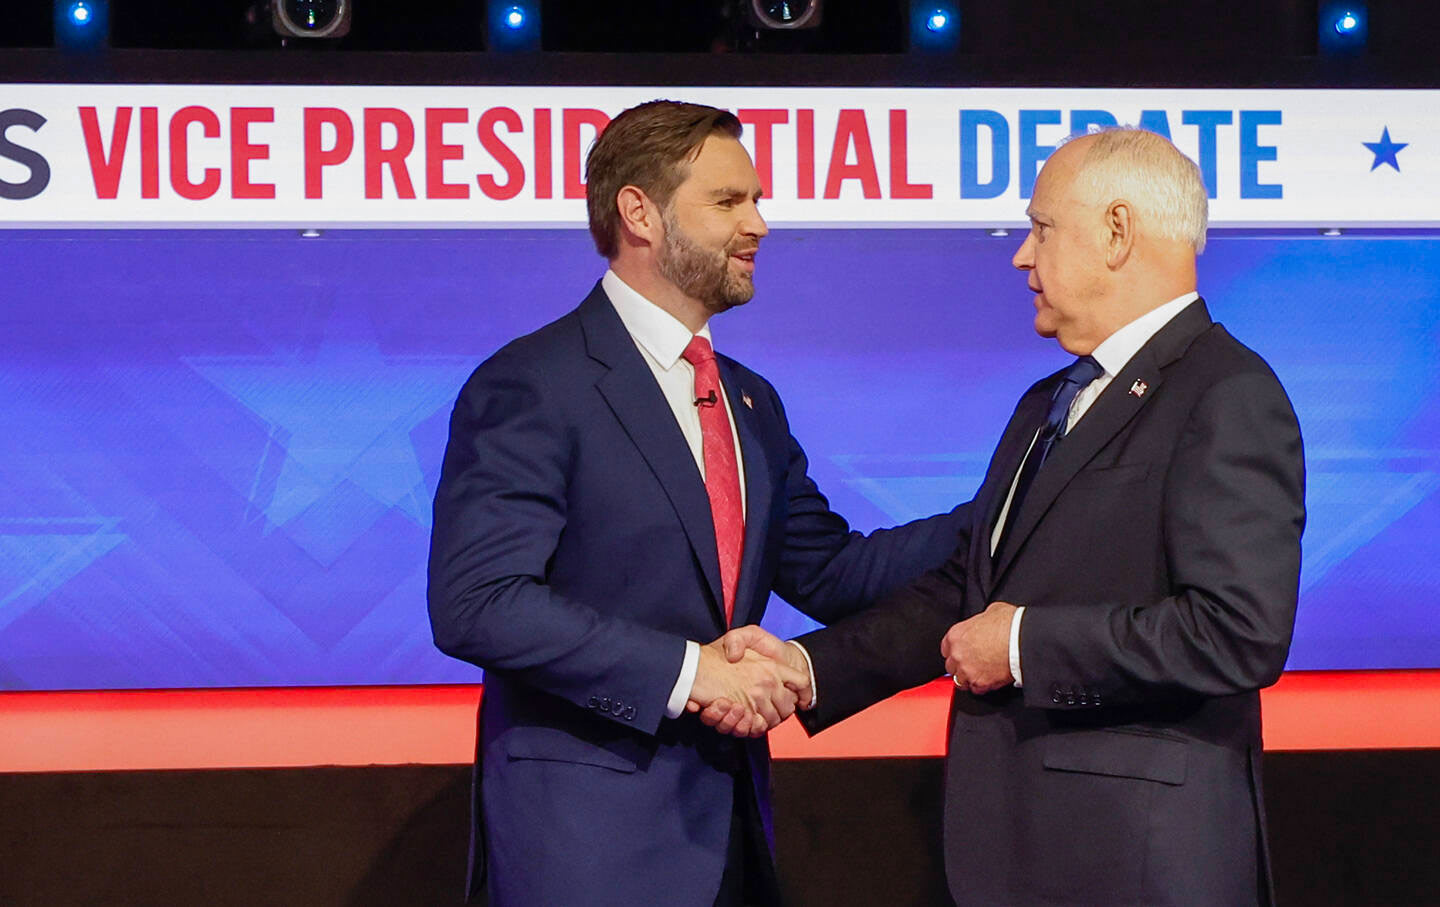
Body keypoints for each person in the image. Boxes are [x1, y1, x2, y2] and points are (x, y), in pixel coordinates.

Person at [709, 127, 1306, 906]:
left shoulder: (1227, 394)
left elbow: (1237, 631)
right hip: (1024, 856)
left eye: (1042, 228)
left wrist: (1023, 643)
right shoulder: (1044, 404)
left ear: (1117, 232)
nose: (1023, 256)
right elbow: (968, 585)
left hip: (1140, 863)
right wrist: (808, 668)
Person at [426, 100, 965, 907]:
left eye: (755, 199)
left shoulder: (750, 400)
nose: (760, 224)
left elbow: (834, 570)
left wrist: (1012, 505)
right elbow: (477, 603)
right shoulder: (534, 383)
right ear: (637, 211)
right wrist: (690, 673)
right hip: (586, 848)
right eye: (729, 201)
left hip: (730, 833)